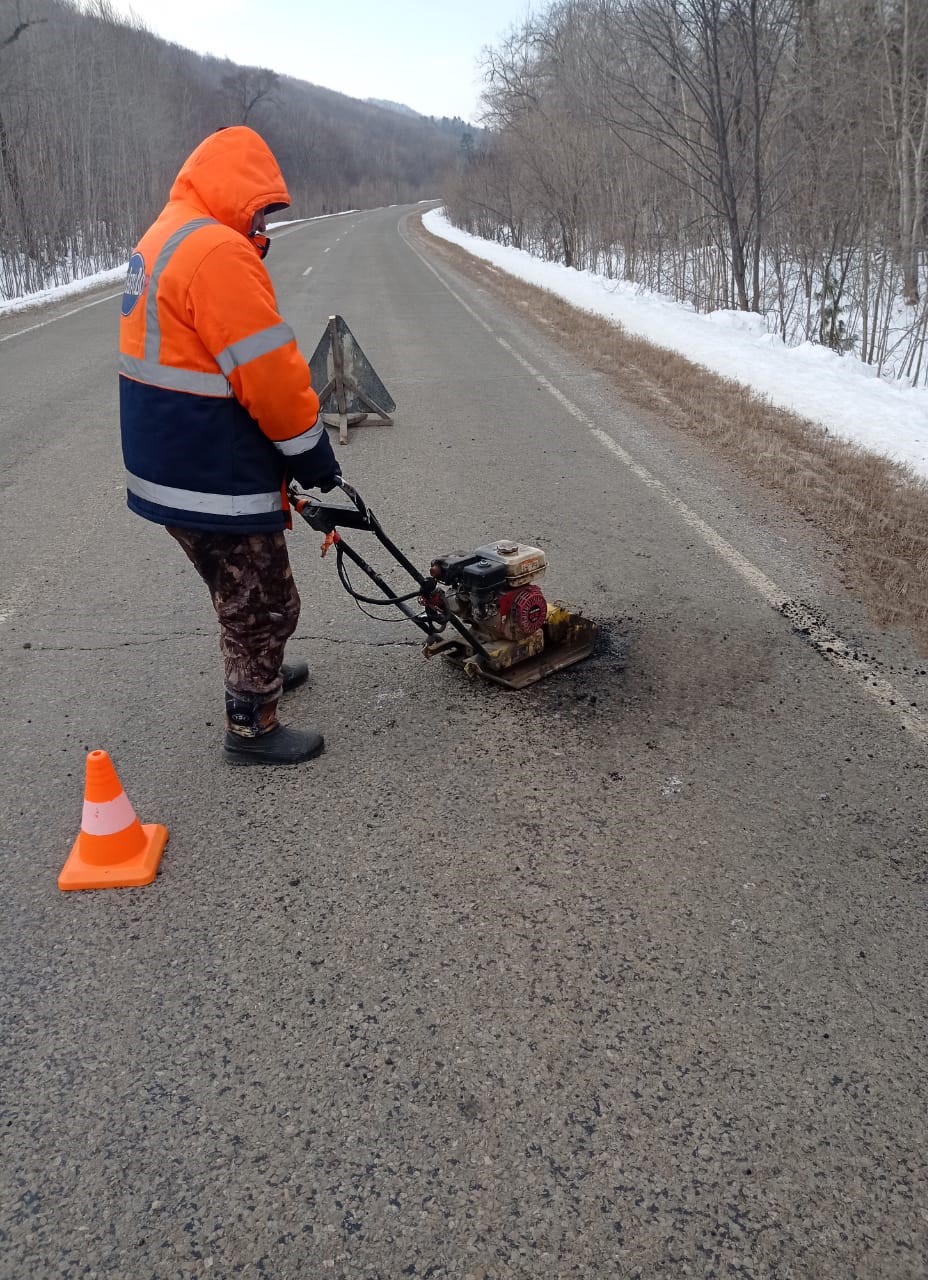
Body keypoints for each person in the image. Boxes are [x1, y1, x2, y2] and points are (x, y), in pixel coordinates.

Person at [118, 126, 340, 765]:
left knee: (237, 587)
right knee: (266, 600)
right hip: (210, 467)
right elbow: (268, 373)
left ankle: (260, 666)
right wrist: (310, 453)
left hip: (167, 459)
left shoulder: (162, 237)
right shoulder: (216, 252)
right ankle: (252, 725)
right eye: (262, 207)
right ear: (239, 192)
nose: (264, 219)